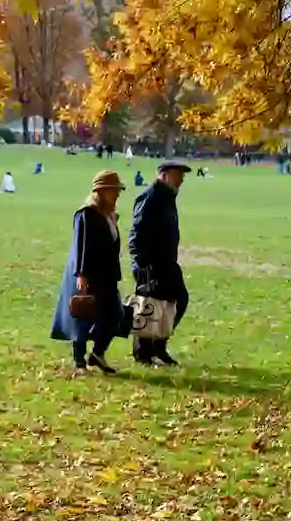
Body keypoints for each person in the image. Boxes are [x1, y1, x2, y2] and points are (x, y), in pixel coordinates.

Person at [51, 170, 127, 376]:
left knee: (116, 314)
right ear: (101, 191)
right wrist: (82, 274)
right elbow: (81, 245)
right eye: (114, 190)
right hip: (87, 272)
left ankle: (98, 354)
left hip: (107, 274)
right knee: (83, 316)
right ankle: (79, 361)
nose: (118, 194)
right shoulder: (87, 214)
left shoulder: (108, 214)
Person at [129, 160, 190, 366]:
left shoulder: (167, 197)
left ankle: (159, 345)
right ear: (164, 175)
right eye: (178, 175)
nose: (181, 180)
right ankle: (143, 353)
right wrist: (142, 264)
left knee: (176, 300)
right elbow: (137, 233)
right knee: (148, 305)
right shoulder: (150, 197)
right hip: (151, 263)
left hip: (167, 261)